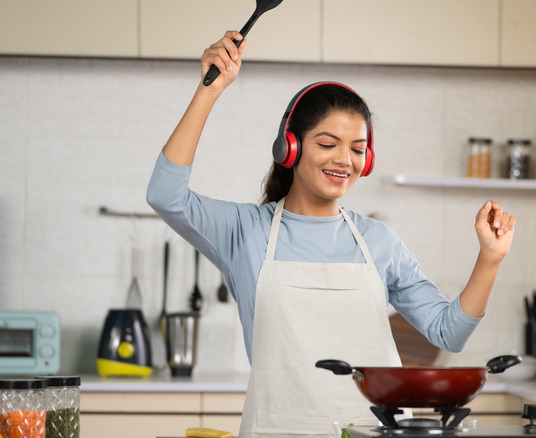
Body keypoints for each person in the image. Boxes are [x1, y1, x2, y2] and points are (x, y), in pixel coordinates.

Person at [146, 31, 516, 437]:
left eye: (358, 149)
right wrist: (209, 91)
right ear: (290, 147)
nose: (345, 160)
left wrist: (490, 259)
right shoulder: (245, 232)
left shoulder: (379, 241)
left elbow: (449, 333)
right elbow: (166, 195)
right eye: (328, 143)